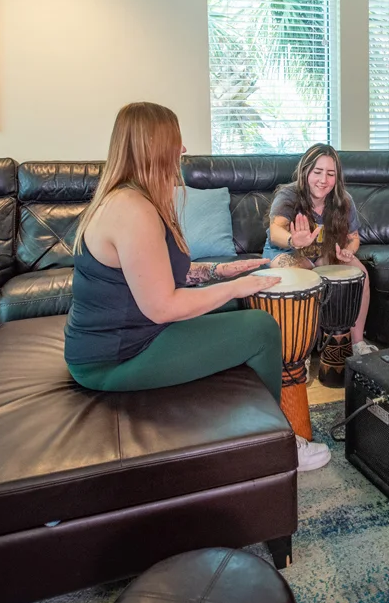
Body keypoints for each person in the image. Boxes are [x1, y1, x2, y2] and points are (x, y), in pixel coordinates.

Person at [64, 102, 331, 471]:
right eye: (176, 140)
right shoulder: (132, 209)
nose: (183, 148)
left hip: (131, 336)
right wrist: (236, 288)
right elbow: (162, 306)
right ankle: (275, 443)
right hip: (115, 358)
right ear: (154, 145)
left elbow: (160, 272)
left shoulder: (131, 198)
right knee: (261, 328)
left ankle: (244, 421)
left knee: (240, 301)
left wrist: (221, 272)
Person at [262, 143, 372, 354]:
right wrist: (294, 240)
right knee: (308, 274)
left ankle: (358, 344)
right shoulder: (288, 194)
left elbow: (353, 237)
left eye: (330, 174)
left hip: (323, 253)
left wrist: (348, 251)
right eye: (318, 172)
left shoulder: (343, 199)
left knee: (361, 275)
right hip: (285, 252)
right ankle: (301, 350)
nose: (323, 180)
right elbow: (275, 232)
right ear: (305, 172)